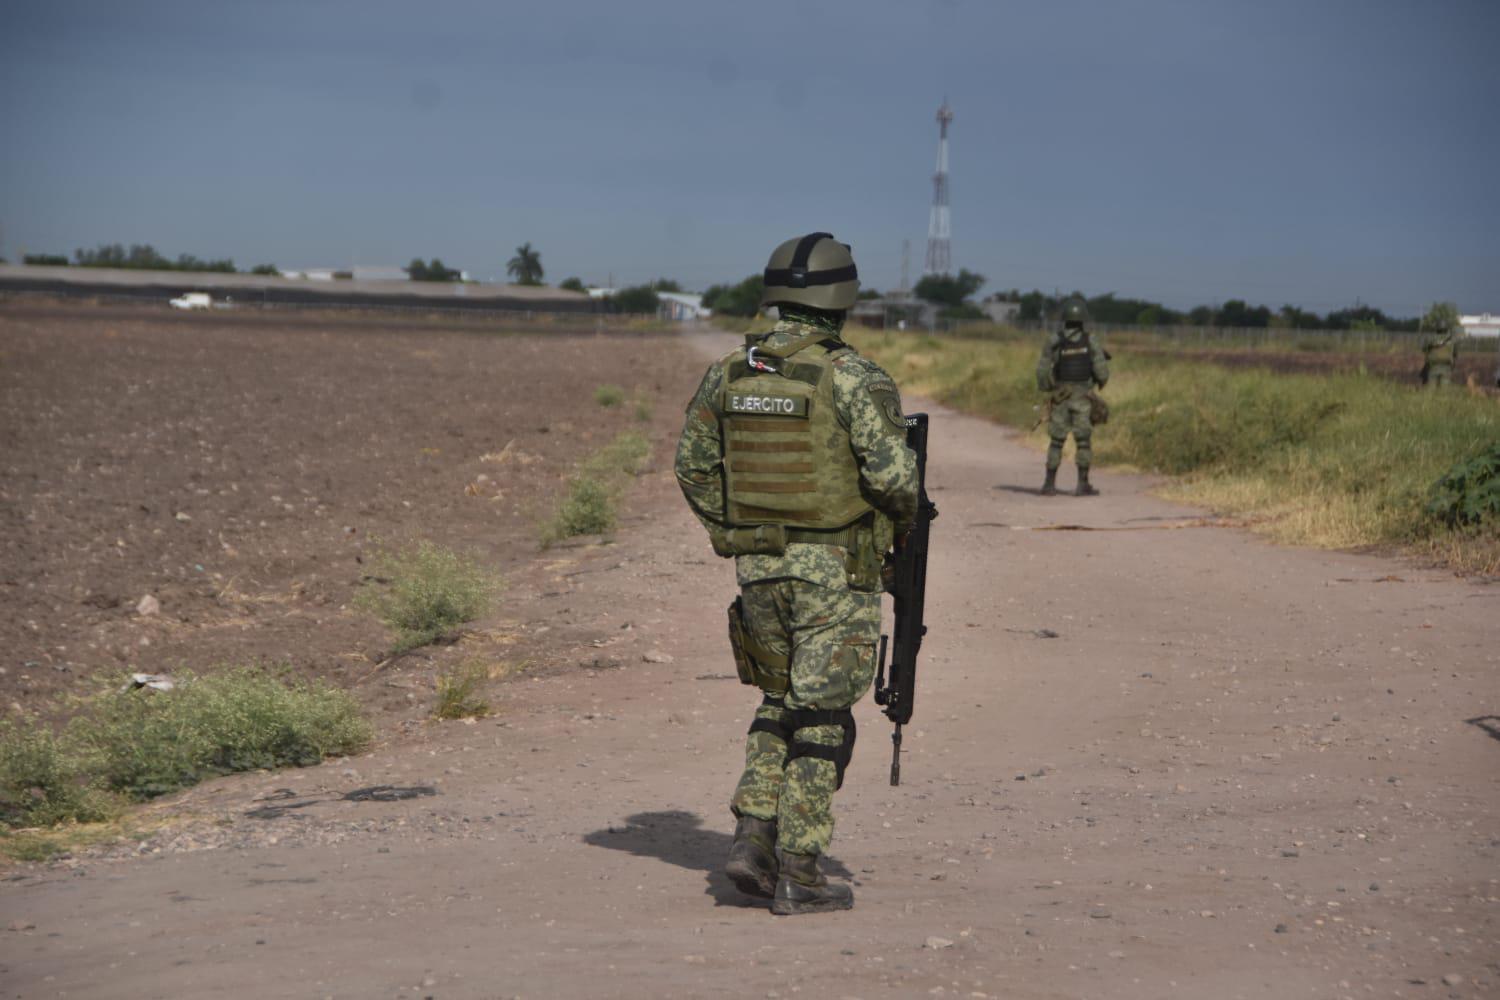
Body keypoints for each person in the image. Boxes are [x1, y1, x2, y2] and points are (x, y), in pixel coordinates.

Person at [674, 233, 918, 915]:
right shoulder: (851, 376)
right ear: (842, 298)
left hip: (759, 573)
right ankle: (801, 868)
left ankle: (753, 835)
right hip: (835, 575)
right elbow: (896, 479)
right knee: (822, 719)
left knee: (778, 702)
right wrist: (900, 523)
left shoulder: (731, 372)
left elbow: (692, 466)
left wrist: (732, 532)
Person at [1036, 296, 1110, 496]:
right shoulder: (1090, 340)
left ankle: (1049, 484)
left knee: (1056, 441)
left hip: (1060, 397)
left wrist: (1049, 387)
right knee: (1083, 441)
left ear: (1065, 318)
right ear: (1083, 318)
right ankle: (1082, 484)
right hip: (1082, 398)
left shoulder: (1055, 340)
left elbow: (1043, 370)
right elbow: (1102, 371)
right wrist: (1100, 381)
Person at [1419, 302, 1461, 389]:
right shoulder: (1452, 339)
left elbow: (1424, 349)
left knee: (1431, 388)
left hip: (1433, 366)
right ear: (1447, 327)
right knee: (1445, 389)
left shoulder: (1430, 338)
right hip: (1446, 366)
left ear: (1436, 327)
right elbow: (1455, 353)